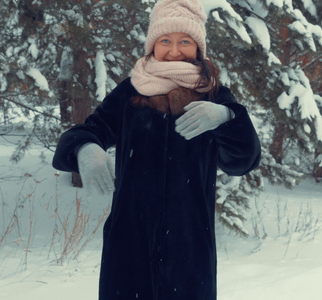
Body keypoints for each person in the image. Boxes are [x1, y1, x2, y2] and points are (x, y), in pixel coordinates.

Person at [52, 0, 261, 299]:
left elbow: (241, 162)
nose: (174, 50)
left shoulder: (213, 94)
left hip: (189, 245)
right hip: (129, 241)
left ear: (198, 47)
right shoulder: (131, 91)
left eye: (184, 41)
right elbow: (88, 130)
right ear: (153, 44)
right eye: (166, 40)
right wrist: (86, 148)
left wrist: (227, 118)